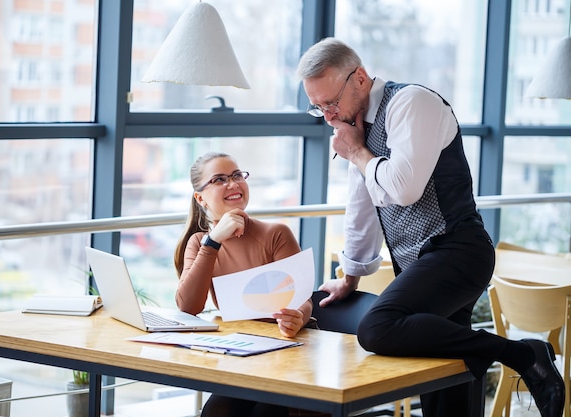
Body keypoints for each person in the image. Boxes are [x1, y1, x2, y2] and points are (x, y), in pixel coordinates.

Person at [296, 37, 564, 417]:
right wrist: (351, 276)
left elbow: (404, 188)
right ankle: (515, 359)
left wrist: (357, 152)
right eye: (317, 107)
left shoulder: (411, 103)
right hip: (421, 263)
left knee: (377, 328)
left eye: (331, 102)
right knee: (445, 382)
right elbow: (361, 204)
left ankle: (523, 353)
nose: (327, 115)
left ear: (358, 78)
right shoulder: (356, 126)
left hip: (459, 250)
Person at [173, 151, 313, 417]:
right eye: (219, 179)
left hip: (286, 354)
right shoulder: (199, 243)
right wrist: (213, 241)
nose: (233, 184)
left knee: (265, 413)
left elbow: (303, 298)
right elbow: (188, 307)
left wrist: (299, 317)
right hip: (240, 355)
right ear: (200, 197)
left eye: (237, 175)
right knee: (217, 411)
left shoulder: (275, 234)